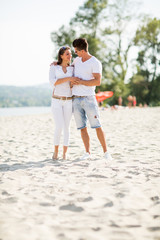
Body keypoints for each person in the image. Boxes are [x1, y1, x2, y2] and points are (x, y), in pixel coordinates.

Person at [71, 38, 112, 160]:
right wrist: (56, 64)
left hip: (89, 98)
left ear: (82, 50)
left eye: (76, 51)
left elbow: (98, 81)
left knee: (97, 125)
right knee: (82, 127)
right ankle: (87, 153)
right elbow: (68, 71)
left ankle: (106, 152)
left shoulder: (95, 62)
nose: (75, 53)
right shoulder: (76, 61)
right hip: (76, 99)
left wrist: (81, 82)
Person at [49, 46, 80, 160]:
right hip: (56, 100)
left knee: (67, 127)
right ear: (61, 55)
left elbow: (73, 84)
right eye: (67, 53)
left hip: (68, 101)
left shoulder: (73, 68)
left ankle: (65, 153)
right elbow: (53, 82)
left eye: (70, 53)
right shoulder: (54, 67)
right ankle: (56, 151)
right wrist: (69, 79)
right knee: (59, 126)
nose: (70, 55)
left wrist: (72, 82)